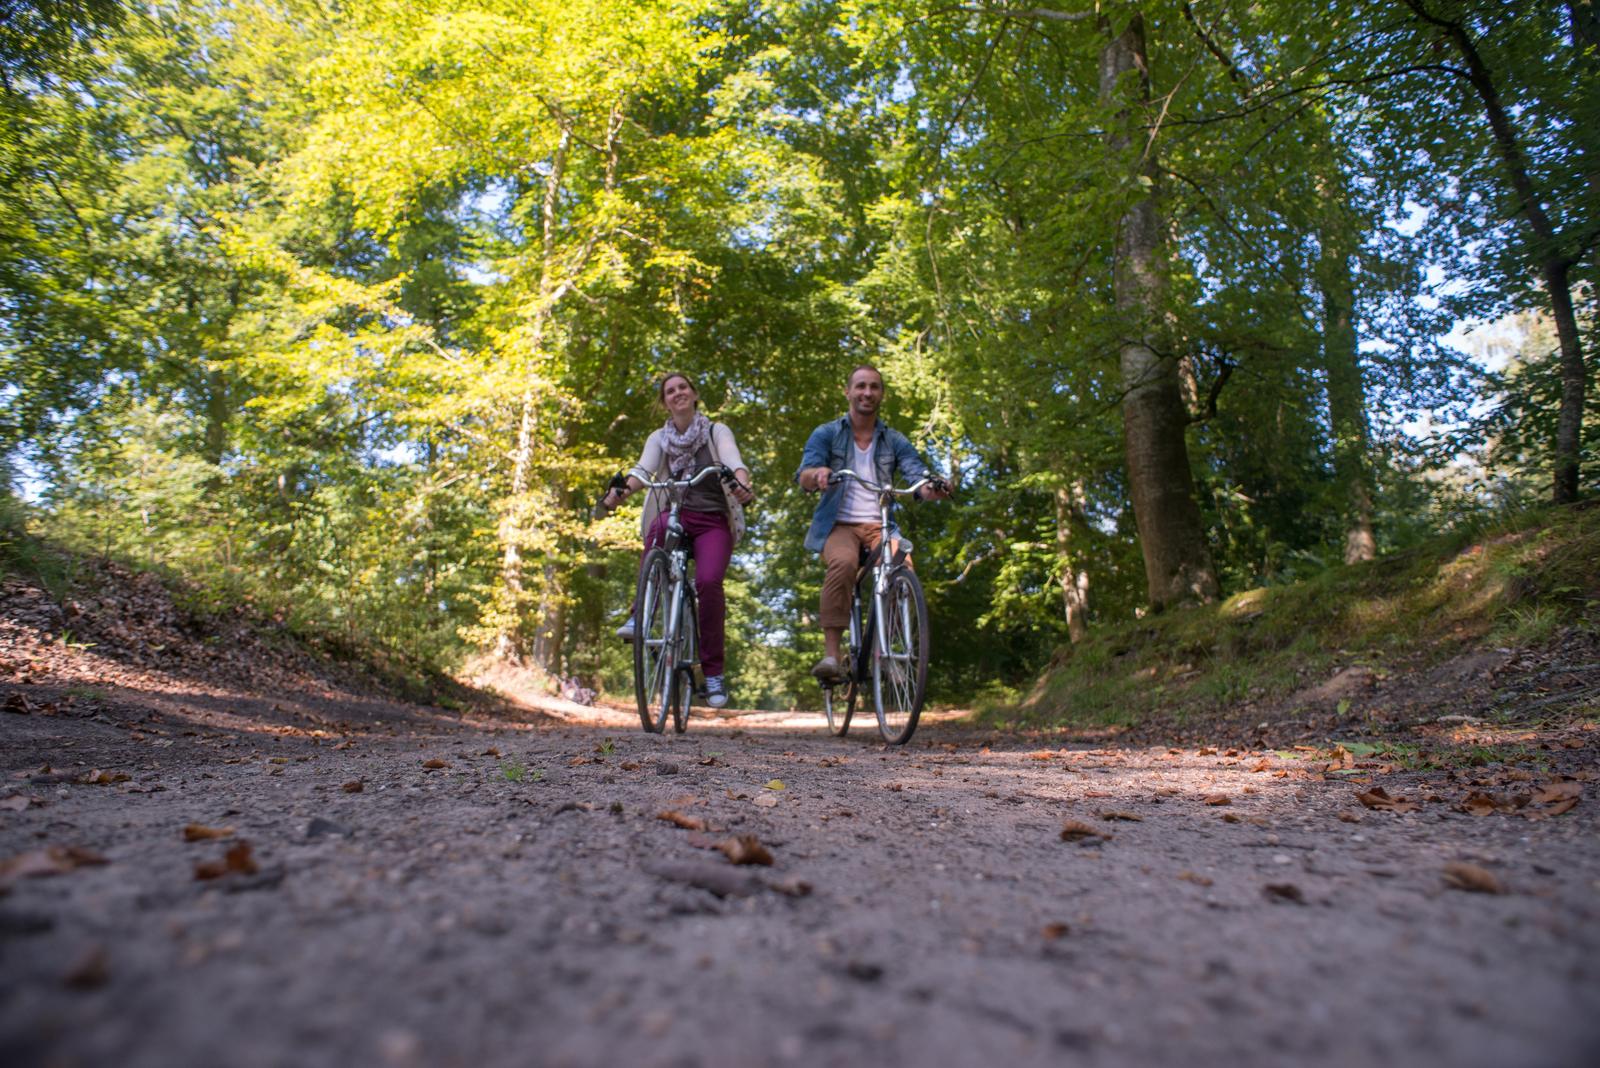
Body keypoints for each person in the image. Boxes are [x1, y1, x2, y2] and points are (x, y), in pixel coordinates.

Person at [600, 373, 754, 709]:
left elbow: (733, 463)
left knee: (709, 583)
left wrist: (741, 485)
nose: (677, 393)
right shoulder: (660, 437)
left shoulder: (715, 431)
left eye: (683, 387)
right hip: (676, 514)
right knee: (656, 533)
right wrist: (620, 492)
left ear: (695, 394)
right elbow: (643, 470)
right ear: (664, 401)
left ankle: (713, 674)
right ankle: (640, 616)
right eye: (670, 391)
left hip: (713, 519)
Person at [795, 364, 950, 681]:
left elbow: (916, 474)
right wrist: (818, 474)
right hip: (838, 524)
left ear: (881, 394)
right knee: (843, 563)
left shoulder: (893, 440)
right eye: (861, 386)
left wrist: (933, 487)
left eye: (874, 387)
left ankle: (890, 651)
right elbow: (805, 474)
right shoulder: (827, 434)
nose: (867, 392)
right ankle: (832, 657)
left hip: (880, 522)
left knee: (902, 566)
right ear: (848, 392)